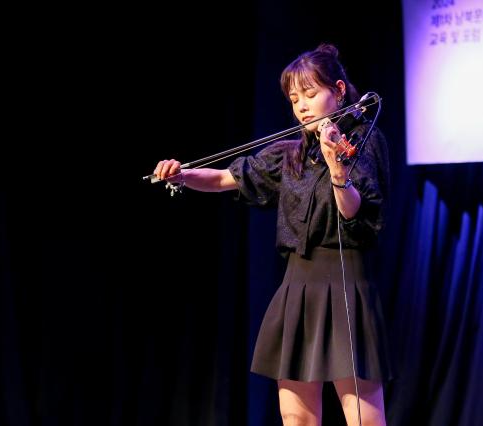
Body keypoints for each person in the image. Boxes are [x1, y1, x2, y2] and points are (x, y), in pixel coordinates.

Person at [153, 43, 392, 426]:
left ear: (340, 92)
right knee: (296, 417)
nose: (301, 106)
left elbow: (355, 213)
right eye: (295, 98)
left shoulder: (363, 142)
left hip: (348, 284)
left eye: (311, 94)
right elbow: (223, 178)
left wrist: (338, 173)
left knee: (362, 418)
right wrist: (181, 174)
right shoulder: (290, 154)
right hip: (297, 286)